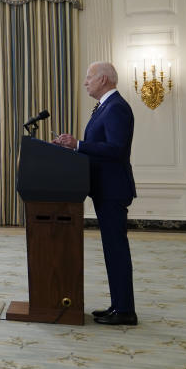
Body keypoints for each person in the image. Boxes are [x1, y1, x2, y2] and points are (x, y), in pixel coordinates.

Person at [54, 61, 138, 326]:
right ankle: (118, 306)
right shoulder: (106, 107)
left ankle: (125, 311)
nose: (85, 82)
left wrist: (78, 144)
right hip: (105, 188)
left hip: (113, 189)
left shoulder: (116, 108)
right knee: (112, 250)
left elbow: (116, 149)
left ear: (103, 79)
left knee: (116, 250)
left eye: (89, 77)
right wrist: (76, 147)